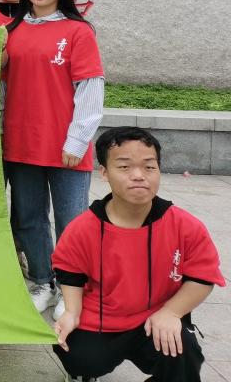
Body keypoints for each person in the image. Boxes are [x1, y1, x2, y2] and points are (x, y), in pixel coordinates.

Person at [53, 127, 225, 382]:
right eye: (124, 167)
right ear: (104, 173)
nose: (138, 176)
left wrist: (172, 312)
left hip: (157, 316)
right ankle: (83, 372)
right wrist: (71, 313)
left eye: (149, 167)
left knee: (183, 354)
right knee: (76, 354)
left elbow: (202, 277)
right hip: (102, 318)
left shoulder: (184, 226)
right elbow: (70, 274)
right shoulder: (83, 228)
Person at [3, 0, 104, 318]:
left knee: (71, 222)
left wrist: (77, 140)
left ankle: (70, 288)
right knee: (29, 218)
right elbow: (2, 88)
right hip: (21, 143)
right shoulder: (12, 31)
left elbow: (90, 88)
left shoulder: (78, 31)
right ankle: (42, 282)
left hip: (65, 147)